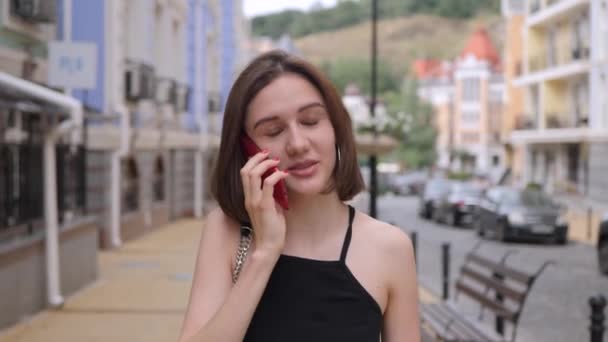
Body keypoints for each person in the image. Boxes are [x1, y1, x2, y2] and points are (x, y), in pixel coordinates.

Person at [178, 50, 420, 342]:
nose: (297, 143)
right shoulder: (227, 231)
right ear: (247, 150)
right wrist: (265, 253)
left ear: (336, 128)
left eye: (310, 121)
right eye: (274, 130)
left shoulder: (390, 248)